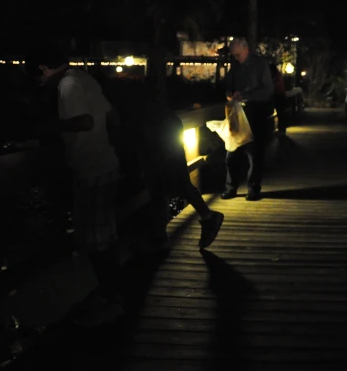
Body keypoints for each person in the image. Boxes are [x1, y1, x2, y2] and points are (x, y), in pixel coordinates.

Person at [27, 44, 126, 326]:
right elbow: (113, 117)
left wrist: (47, 128)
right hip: (106, 163)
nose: (40, 83)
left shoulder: (68, 85)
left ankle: (113, 300)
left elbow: (82, 121)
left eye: (38, 77)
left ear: (44, 69)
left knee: (96, 243)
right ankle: (110, 294)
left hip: (90, 169)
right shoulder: (84, 78)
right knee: (104, 237)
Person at [133, 80, 225, 250]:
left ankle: (164, 234)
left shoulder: (143, 100)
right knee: (172, 182)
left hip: (158, 132)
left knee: (164, 184)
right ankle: (203, 218)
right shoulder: (159, 99)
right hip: (165, 128)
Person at [222, 37, 274, 201]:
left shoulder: (260, 64)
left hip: (255, 112)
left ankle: (253, 188)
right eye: (234, 56)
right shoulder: (235, 66)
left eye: (237, 55)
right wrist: (230, 93)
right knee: (232, 152)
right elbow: (227, 84)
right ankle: (231, 187)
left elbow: (267, 90)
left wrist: (246, 95)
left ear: (245, 50)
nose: (235, 58)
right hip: (237, 114)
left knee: (254, 153)